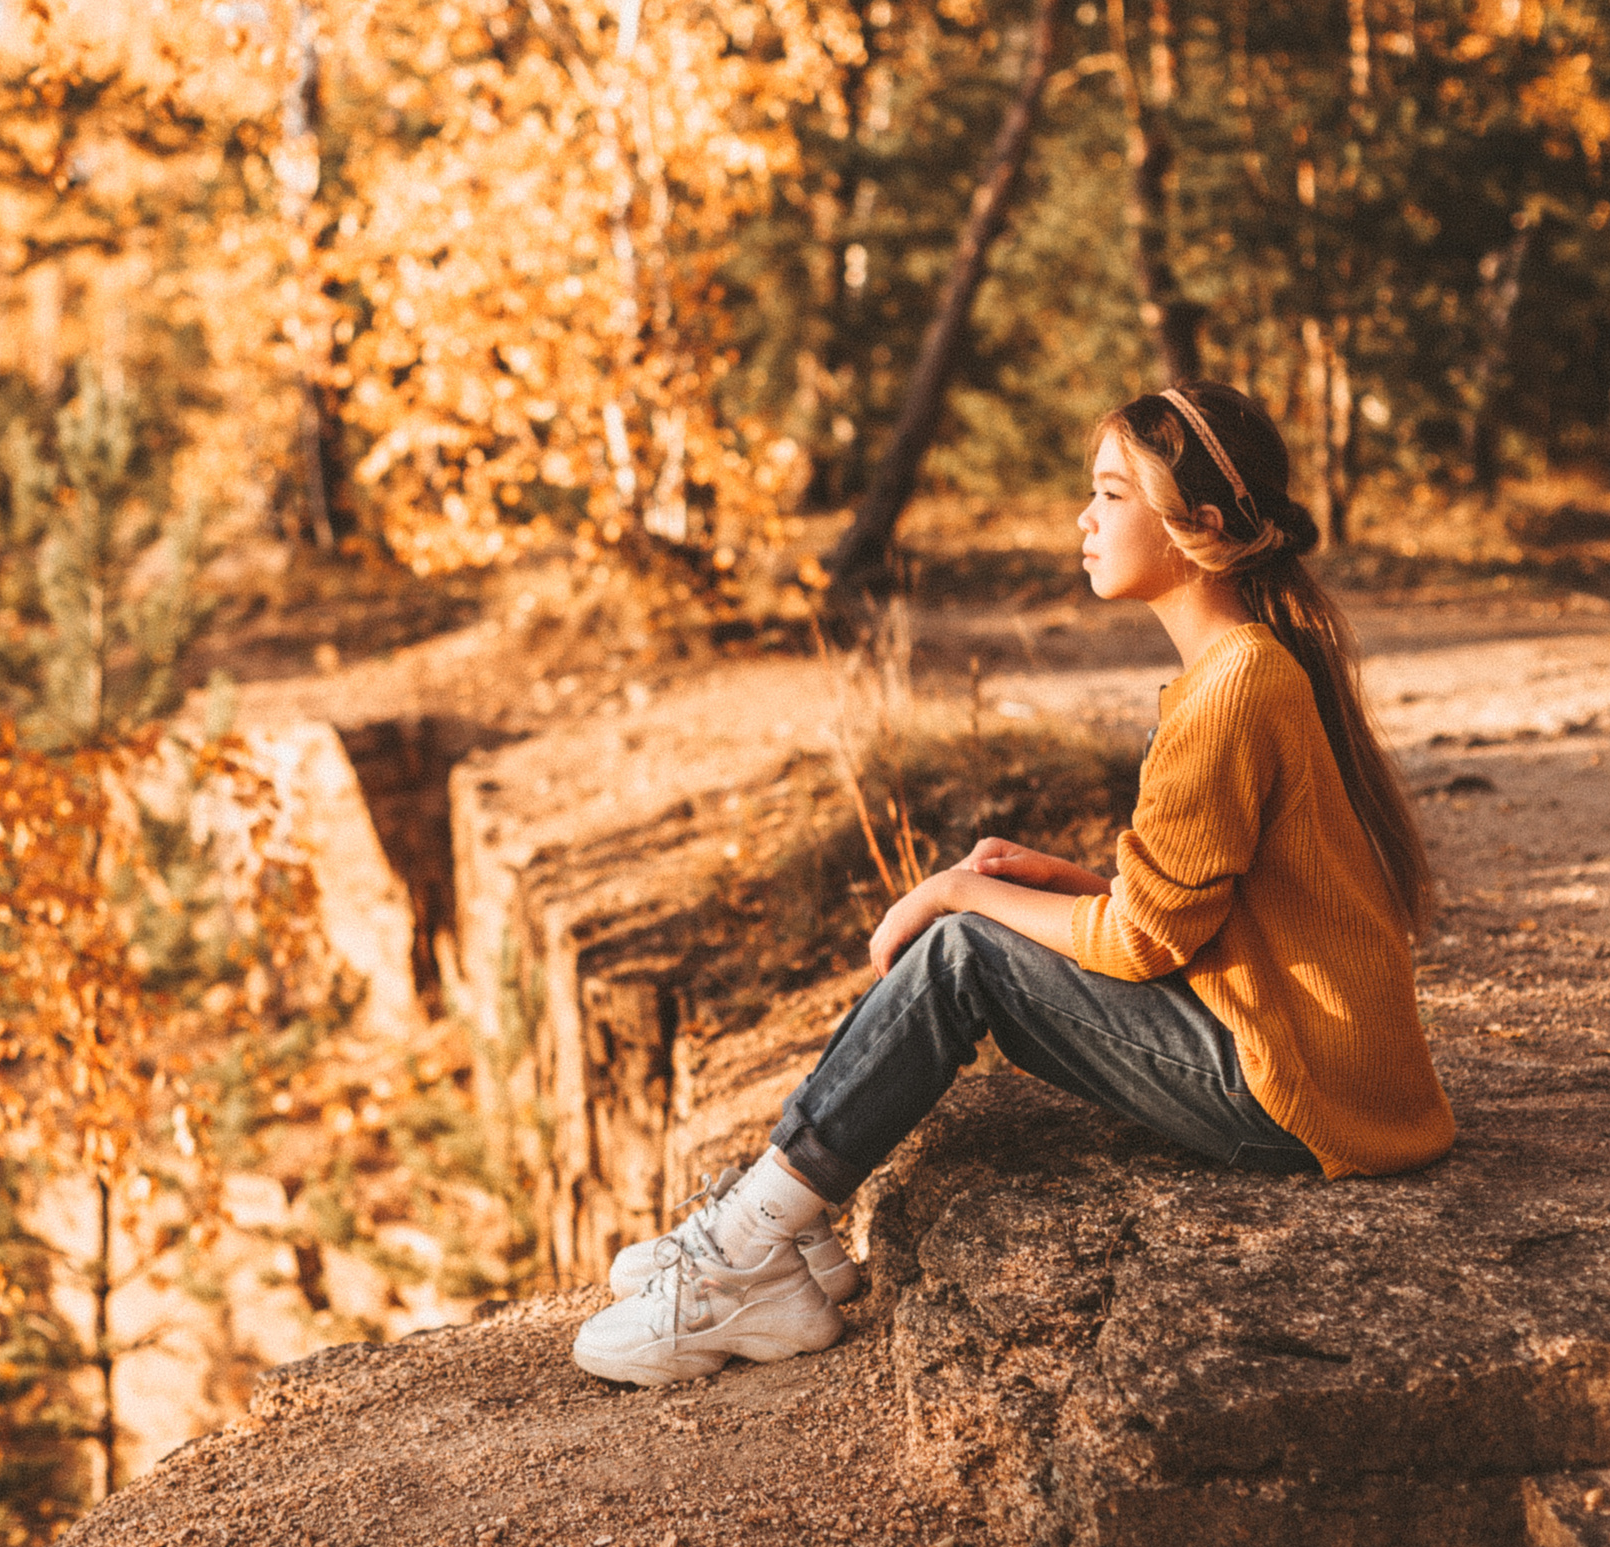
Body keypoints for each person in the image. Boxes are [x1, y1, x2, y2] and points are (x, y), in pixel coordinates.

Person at [573, 382, 1454, 1387]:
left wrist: (959, 890)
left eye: (1114, 494)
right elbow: (1201, 912)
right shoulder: (1245, 668)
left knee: (962, 955)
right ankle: (789, 1226)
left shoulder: (1234, 689)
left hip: (1298, 1100)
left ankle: (745, 1253)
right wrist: (1052, 876)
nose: (1083, 518)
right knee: (980, 931)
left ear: (1199, 527)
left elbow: (1141, 946)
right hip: (1320, 1069)